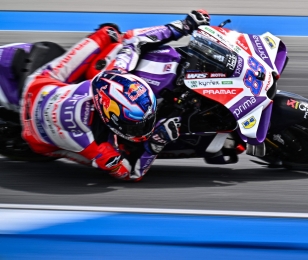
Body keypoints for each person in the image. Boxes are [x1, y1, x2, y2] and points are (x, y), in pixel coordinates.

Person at [19, 10, 210, 181]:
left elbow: (136, 41)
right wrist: (155, 144)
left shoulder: (116, 73)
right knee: (120, 152)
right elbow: (130, 173)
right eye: (136, 125)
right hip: (35, 131)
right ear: (112, 121)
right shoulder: (99, 147)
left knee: (109, 33)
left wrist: (184, 26)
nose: (145, 128)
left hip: (42, 88)